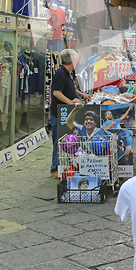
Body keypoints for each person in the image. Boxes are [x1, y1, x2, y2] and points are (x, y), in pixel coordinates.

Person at [50, 49, 91, 178]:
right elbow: (56, 92)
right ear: (72, 61)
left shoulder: (68, 73)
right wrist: (71, 102)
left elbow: (71, 88)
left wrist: (82, 94)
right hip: (59, 113)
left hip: (67, 112)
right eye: (77, 59)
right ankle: (54, 168)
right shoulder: (61, 73)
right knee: (59, 140)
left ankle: (65, 164)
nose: (78, 62)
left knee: (67, 140)